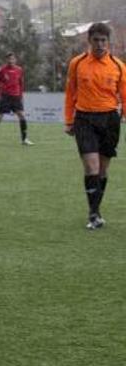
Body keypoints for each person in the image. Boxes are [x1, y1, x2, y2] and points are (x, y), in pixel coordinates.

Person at [64, 22, 126, 230]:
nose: (100, 44)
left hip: (109, 120)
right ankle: (94, 214)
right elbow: (71, 92)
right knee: (91, 166)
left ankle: (96, 210)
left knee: (102, 171)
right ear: (88, 41)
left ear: (108, 43)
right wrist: (69, 119)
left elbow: (125, 95)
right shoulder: (77, 63)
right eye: (96, 40)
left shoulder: (118, 66)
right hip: (84, 119)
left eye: (103, 40)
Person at [0, 52, 33, 146]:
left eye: (12, 59)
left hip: (16, 97)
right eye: (9, 59)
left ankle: (24, 139)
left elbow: (21, 84)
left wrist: (21, 96)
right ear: (6, 60)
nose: (11, 61)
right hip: (6, 96)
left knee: (22, 116)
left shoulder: (19, 70)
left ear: (15, 60)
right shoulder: (1, 70)